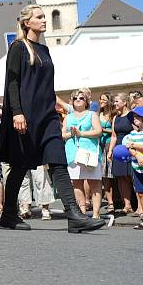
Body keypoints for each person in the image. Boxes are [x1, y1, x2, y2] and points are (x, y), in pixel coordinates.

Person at [0, 4, 105, 233]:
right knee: (19, 167)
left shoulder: (44, 51)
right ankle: (8, 214)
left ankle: (74, 215)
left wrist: (62, 106)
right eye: (39, 17)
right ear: (27, 23)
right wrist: (16, 112)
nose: (44, 20)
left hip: (47, 116)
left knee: (58, 161)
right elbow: (13, 83)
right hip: (25, 116)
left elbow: (46, 87)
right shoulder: (18, 48)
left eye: (44, 16)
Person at [62, 90, 103, 218]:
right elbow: (63, 135)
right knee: (77, 183)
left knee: (94, 183)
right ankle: (82, 211)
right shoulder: (68, 117)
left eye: (81, 98)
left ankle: (96, 214)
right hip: (73, 152)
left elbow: (98, 131)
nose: (78, 100)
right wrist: (72, 134)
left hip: (89, 152)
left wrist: (82, 134)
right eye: (75, 98)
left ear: (86, 102)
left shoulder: (92, 115)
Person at [108, 93, 135, 214]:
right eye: (114, 101)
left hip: (130, 147)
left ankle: (139, 205)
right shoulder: (115, 118)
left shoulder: (132, 115)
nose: (115, 103)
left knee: (132, 176)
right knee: (121, 177)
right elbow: (113, 135)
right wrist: (110, 151)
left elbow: (136, 131)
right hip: (118, 148)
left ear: (125, 102)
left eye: (117, 101)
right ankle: (127, 205)